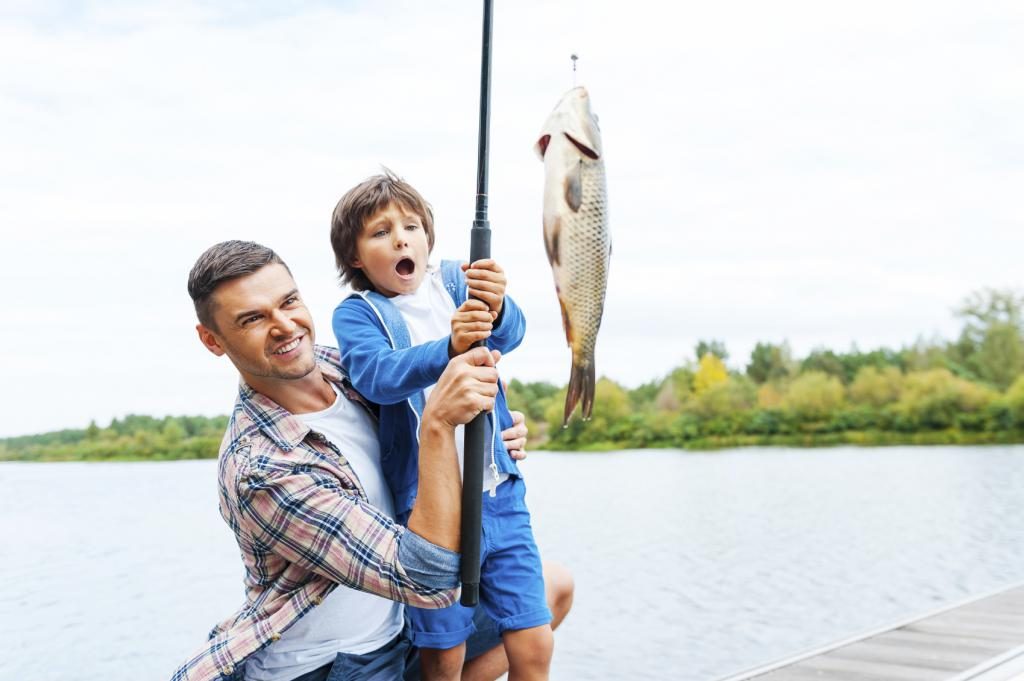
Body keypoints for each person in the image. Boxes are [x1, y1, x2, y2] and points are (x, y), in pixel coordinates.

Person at [172, 241, 572, 681]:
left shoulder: (345, 369)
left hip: (399, 629)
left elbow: (425, 387)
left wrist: (489, 435)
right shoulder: (261, 467)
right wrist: (439, 425)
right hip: (334, 665)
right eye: (252, 319)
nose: (284, 326)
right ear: (212, 340)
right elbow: (425, 578)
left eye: (288, 302)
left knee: (552, 589)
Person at [330, 173, 552, 681]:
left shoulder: (456, 280)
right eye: (380, 232)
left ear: (429, 237)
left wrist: (498, 303)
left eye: (411, 226)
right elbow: (377, 375)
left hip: (499, 494)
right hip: (429, 510)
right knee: (444, 651)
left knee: (533, 636)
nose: (401, 238)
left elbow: (510, 335)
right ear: (356, 258)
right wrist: (448, 348)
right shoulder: (359, 313)